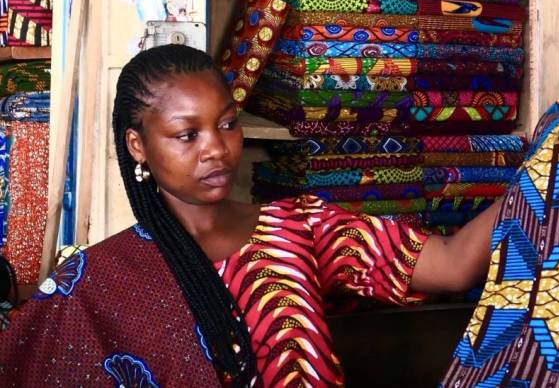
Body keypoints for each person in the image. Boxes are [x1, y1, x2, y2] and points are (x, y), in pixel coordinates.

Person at [0, 44, 499, 387]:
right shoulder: (101, 282)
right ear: (138, 145)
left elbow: (453, 264)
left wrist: (551, 165)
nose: (216, 148)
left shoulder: (299, 227)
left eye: (227, 124)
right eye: (186, 134)